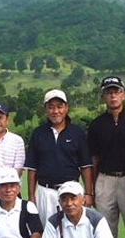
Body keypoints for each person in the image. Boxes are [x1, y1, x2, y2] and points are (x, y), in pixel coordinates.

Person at [25, 89, 94, 225]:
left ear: (66, 108)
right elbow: (32, 169)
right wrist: (32, 197)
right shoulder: (38, 133)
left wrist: (88, 193)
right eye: (51, 107)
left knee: (73, 229)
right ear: (46, 109)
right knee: (47, 230)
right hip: (45, 192)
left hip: (71, 191)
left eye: (59, 106)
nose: (55, 111)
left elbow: (85, 166)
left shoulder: (77, 133)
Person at [88, 76, 125, 238]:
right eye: (108, 92)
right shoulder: (96, 125)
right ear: (103, 97)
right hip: (105, 180)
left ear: (124, 95)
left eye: (117, 92)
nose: (113, 96)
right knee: (105, 233)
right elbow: (94, 159)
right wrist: (93, 188)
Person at [40, 181, 117, 238]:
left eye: (73, 198)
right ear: (59, 202)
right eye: (64, 199)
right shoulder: (53, 222)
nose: (69, 203)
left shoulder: (97, 219)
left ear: (83, 200)